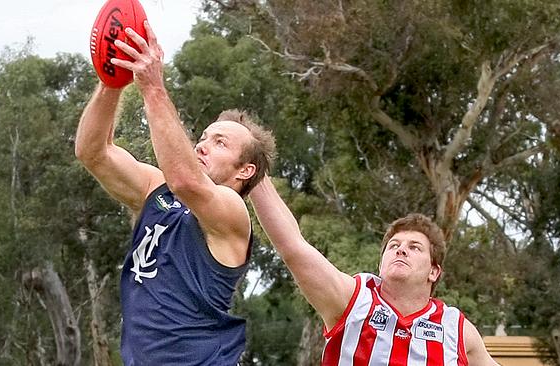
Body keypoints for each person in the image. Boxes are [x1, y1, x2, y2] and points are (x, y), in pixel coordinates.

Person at [75, 21, 275, 365]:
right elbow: (92, 151)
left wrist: (153, 87)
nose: (203, 145)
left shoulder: (231, 215)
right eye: (205, 137)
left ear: (245, 171)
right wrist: (113, 76)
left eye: (220, 142)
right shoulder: (158, 190)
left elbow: (186, 182)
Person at [249, 177, 499, 365]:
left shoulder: (457, 329)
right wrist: (255, 167)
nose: (401, 250)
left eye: (414, 247)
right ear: (380, 263)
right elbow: (294, 247)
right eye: (393, 246)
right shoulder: (353, 299)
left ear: (434, 272)